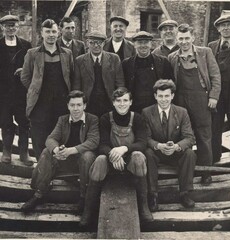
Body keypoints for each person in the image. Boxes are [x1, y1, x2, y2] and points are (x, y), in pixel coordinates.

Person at [79, 87, 153, 227]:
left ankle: (144, 207)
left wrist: (124, 149)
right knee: (100, 160)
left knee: (139, 156)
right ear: (113, 102)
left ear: (131, 102)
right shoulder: (106, 118)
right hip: (111, 162)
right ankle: (88, 210)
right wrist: (114, 155)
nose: (122, 104)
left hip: (130, 160)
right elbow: (103, 145)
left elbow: (142, 143)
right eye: (118, 100)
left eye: (125, 100)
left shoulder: (137, 118)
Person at [21, 90, 99, 213]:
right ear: (68, 106)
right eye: (72, 105)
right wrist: (57, 150)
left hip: (82, 163)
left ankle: (84, 197)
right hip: (65, 161)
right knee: (48, 151)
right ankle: (39, 193)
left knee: (88, 156)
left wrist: (71, 150)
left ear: (85, 106)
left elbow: (93, 141)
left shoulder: (92, 120)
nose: (76, 109)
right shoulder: (62, 120)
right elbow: (51, 138)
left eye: (79, 105)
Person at [168, 24, 221, 185]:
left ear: (192, 38)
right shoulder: (172, 57)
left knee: (204, 136)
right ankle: (186, 172)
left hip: (202, 100)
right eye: (181, 39)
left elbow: (216, 76)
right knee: (183, 136)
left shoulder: (205, 53)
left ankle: (206, 172)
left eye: (186, 38)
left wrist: (213, 97)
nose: (183, 42)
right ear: (177, 39)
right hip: (181, 100)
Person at [21, 19, 74, 160]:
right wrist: (36, 90)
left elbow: (71, 77)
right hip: (40, 105)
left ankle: (57, 172)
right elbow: (25, 77)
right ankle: (41, 170)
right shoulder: (32, 54)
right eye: (48, 31)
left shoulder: (67, 54)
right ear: (42, 34)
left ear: (58, 33)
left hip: (61, 105)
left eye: (54, 31)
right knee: (39, 139)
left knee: (60, 138)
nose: (51, 35)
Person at [142, 79, 196, 211]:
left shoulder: (182, 112)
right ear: (155, 96)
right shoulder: (147, 112)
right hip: (157, 152)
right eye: (160, 96)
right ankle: (153, 195)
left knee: (190, 153)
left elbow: (190, 137)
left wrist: (176, 146)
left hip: (175, 151)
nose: (163, 99)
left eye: (167, 96)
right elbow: (145, 138)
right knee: (147, 153)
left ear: (172, 96)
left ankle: (185, 193)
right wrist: (159, 146)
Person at [208, 15, 230, 177]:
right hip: (217, 95)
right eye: (223, 26)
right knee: (214, 127)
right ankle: (214, 161)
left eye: (229, 25)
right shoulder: (211, 47)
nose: (226, 28)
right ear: (218, 29)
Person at [0, 14, 33, 166]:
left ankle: (24, 153)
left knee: (24, 123)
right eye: (8, 26)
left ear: (17, 27)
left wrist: (24, 69)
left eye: (13, 25)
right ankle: (6, 152)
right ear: (2, 28)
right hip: (4, 93)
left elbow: (33, 66)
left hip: (21, 93)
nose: (11, 28)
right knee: (6, 122)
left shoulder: (26, 46)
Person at [73, 30, 125, 118]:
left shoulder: (114, 59)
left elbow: (120, 83)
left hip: (108, 102)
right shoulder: (79, 60)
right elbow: (77, 86)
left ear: (104, 43)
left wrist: (119, 102)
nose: (96, 45)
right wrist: (79, 104)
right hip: (89, 103)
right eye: (92, 42)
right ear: (87, 44)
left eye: (99, 43)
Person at [122, 31, 174, 113]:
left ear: (151, 44)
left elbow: (170, 85)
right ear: (134, 45)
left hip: (156, 107)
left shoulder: (163, 62)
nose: (143, 45)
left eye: (146, 42)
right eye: (139, 42)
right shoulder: (127, 64)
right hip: (135, 108)